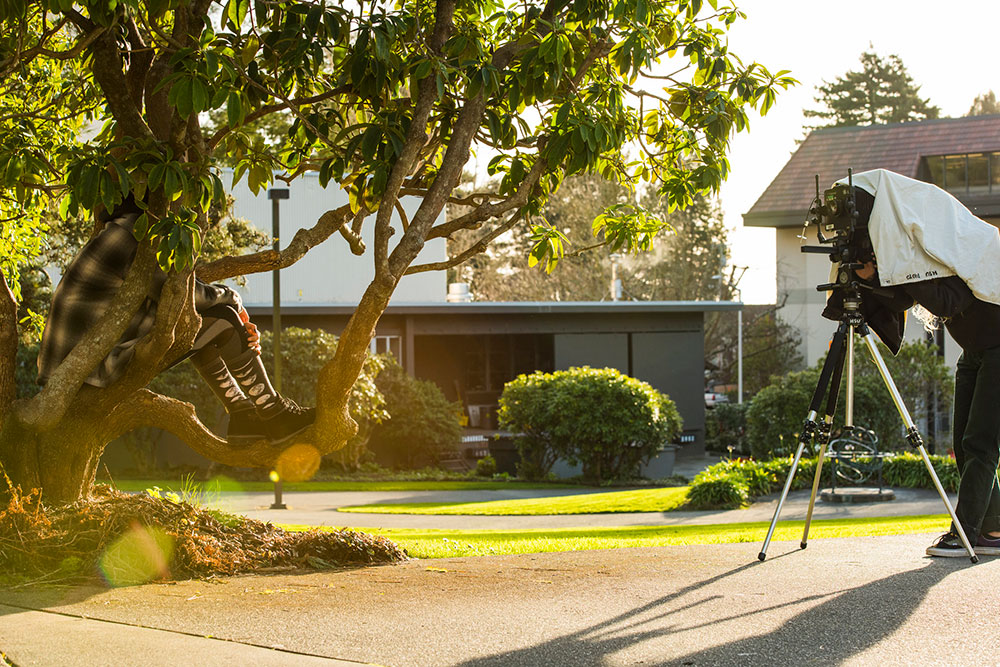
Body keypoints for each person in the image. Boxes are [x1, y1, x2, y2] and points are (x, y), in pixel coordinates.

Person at [37, 195, 315, 445]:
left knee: (201, 323)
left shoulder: (122, 231)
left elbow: (178, 295)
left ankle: (244, 415)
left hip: (81, 364)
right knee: (224, 319)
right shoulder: (134, 237)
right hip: (87, 369)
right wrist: (234, 299)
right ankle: (272, 412)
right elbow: (183, 295)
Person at [856, 255, 1000, 558]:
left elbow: (949, 301)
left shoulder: (947, 255)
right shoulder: (919, 264)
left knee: (981, 444)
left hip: (997, 349)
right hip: (974, 352)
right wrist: (873, 277)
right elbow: (902, 300)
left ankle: (965, 533)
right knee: (964, 443)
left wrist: (903, 270)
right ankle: (992, 529)